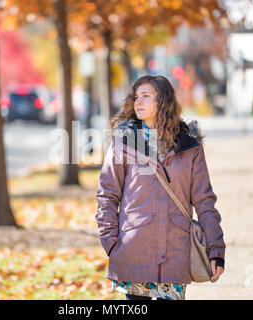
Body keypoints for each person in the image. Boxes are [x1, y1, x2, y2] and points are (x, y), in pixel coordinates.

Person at [95, 75, 225, 300]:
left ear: (163, 101)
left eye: (146, 96)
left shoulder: (189, 146)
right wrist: (111, 242)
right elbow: (107, 195)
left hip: (175, 251)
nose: (138, 102)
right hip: (133, 250)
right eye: (136, 97)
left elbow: (204, 200)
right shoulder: (124, 142)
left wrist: (216, 249)